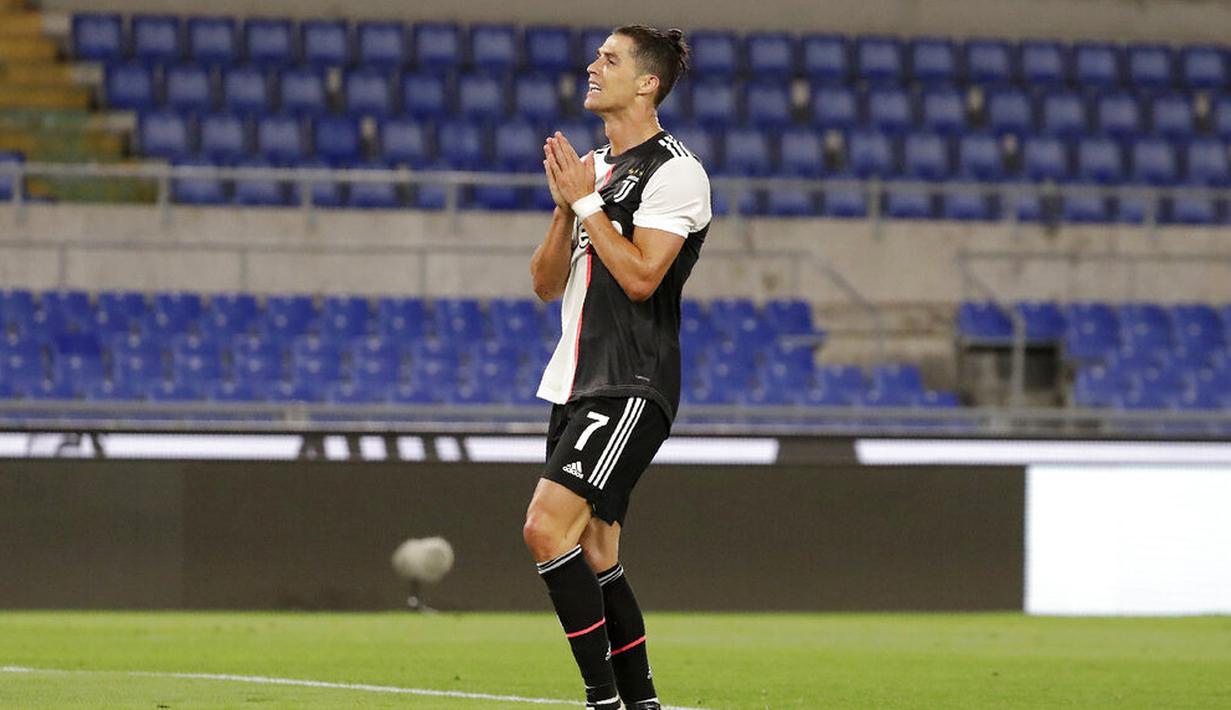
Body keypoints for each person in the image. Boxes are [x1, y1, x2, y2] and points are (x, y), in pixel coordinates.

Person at [523, 24, 712, 710]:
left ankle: (601, 701)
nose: (591, 66)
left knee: (544, 529)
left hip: (632, 379)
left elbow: (640, 278)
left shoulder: (676, 171)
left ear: (647, 82)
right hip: (575, 380)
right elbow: (546, 284)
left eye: (609, 59)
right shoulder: (593, 171)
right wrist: (563, 208)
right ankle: (640, 703)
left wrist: (586, 205)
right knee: (596, 553)